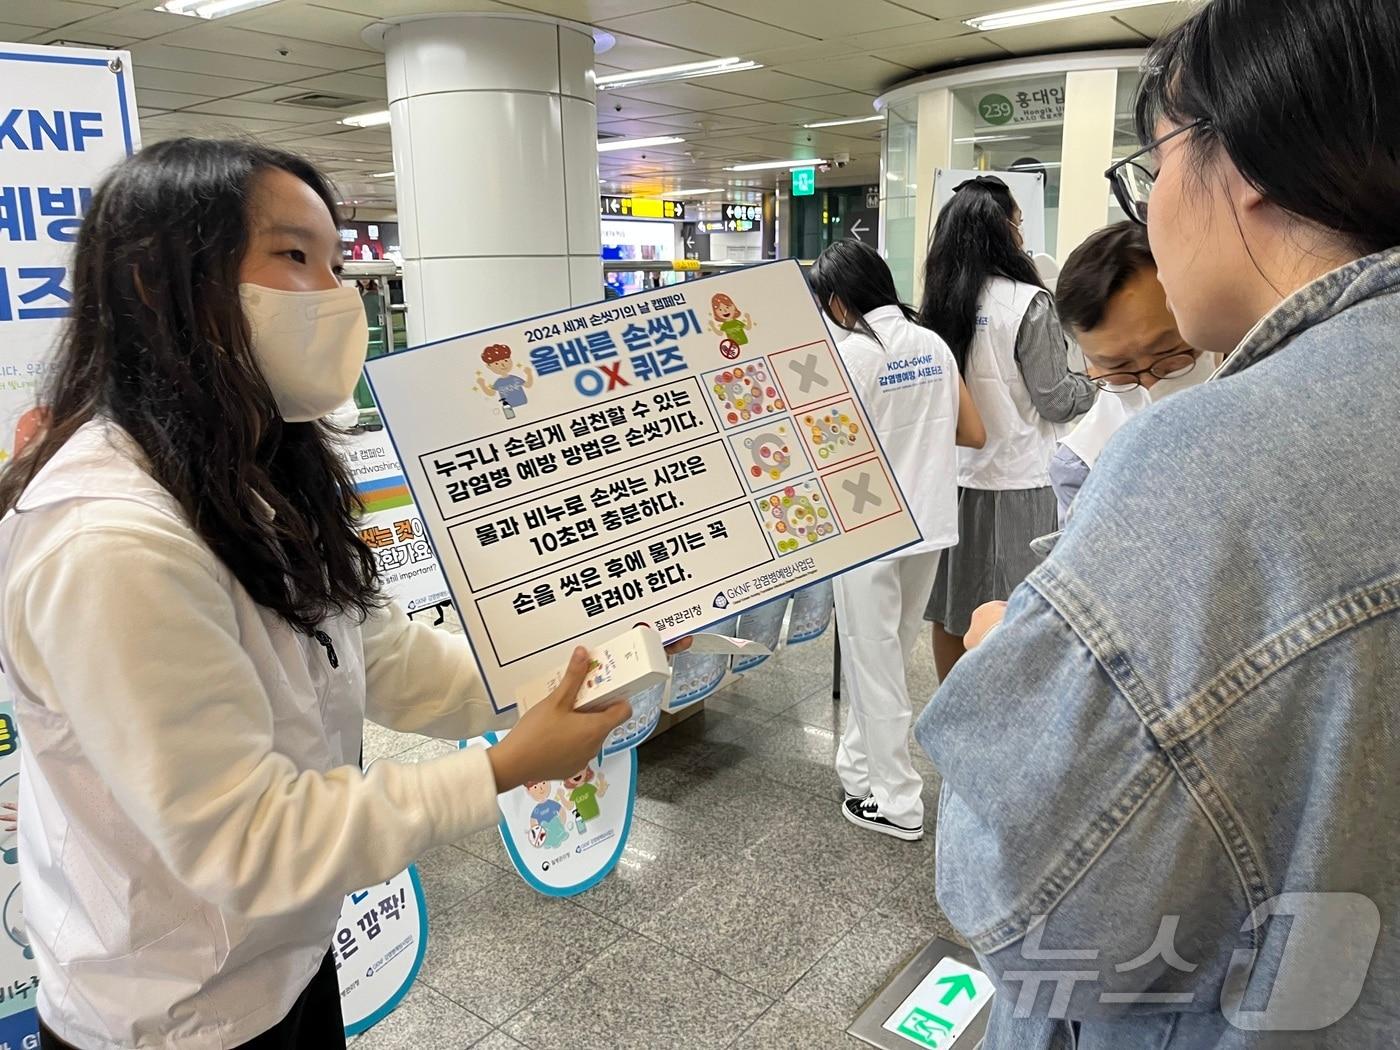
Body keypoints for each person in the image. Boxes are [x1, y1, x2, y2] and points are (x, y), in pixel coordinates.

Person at [0, 139, 655, 1050]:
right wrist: (500, 768)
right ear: (159, 282)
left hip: (278, 963)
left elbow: (378, 652)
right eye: (294, 257)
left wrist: (587, 661)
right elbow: (245, 838)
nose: (337, 294)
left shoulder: (249, 468)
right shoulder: (110, 542)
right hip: (169, 1014)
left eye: (338, 261)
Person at [915, 0, 1400, 1046]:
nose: (1150, 205)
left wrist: (1012, 667)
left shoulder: (1212, 464)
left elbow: (1037, 908)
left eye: (1153, 161)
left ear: (1253, 157)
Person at [809, 239, 984, 841]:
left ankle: (898, 802)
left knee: (872, 662)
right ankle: (858, 770)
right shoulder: (933, 343)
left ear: (835, 301)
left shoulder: (848, 356)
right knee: (886, 655)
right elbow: (972, 431)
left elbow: (821, 449)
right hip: (929, 522)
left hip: (867, 533)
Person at [919, 176, 1096, 678]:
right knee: (1018, 613)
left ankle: (952, 714)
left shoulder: (940, 304)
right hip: (1020, 480)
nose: (1021, 235)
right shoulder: (1028, 303)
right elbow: (1056, 400)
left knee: (953, 612)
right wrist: (1098, 382)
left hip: (957, 480)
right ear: (1002, 231)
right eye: (1017, 223)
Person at [1048, 221, 1209, 521]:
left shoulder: (1271, 390)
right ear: (1088, 364)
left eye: (1170, 354)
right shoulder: (1081, 465)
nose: (1150, 384)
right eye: (1119, 367)